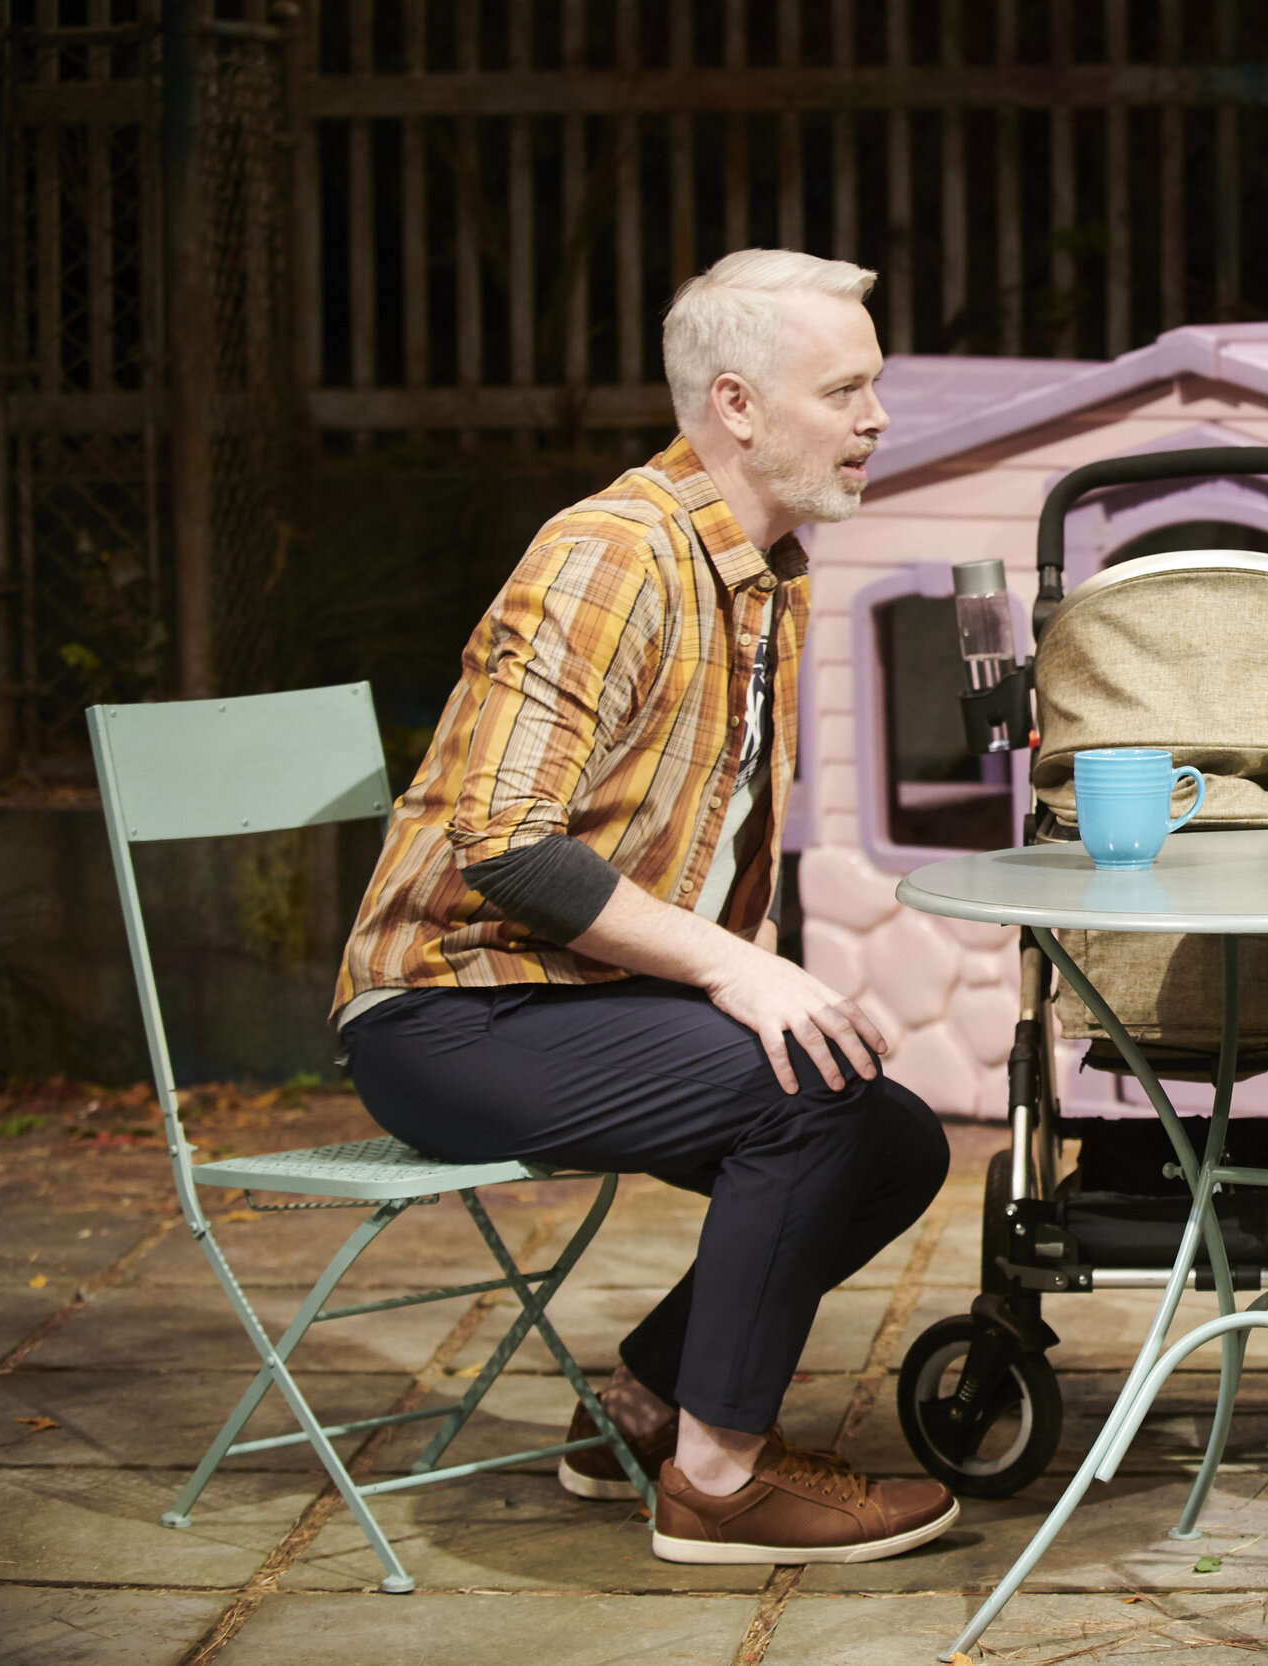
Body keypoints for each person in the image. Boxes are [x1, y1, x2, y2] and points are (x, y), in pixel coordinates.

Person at [333, 249, 957, 1567]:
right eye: (843, 390)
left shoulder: (769, 573)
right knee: (811, 1092)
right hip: (451, 1006)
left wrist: (753, 954)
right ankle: (719, 1480)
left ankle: (642, 1408)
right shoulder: (609, 556)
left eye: (873, 386)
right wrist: (735, 970)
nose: (877, 417)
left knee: (894, 1139)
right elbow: (508, 847)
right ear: (737, 404)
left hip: (582, 993)